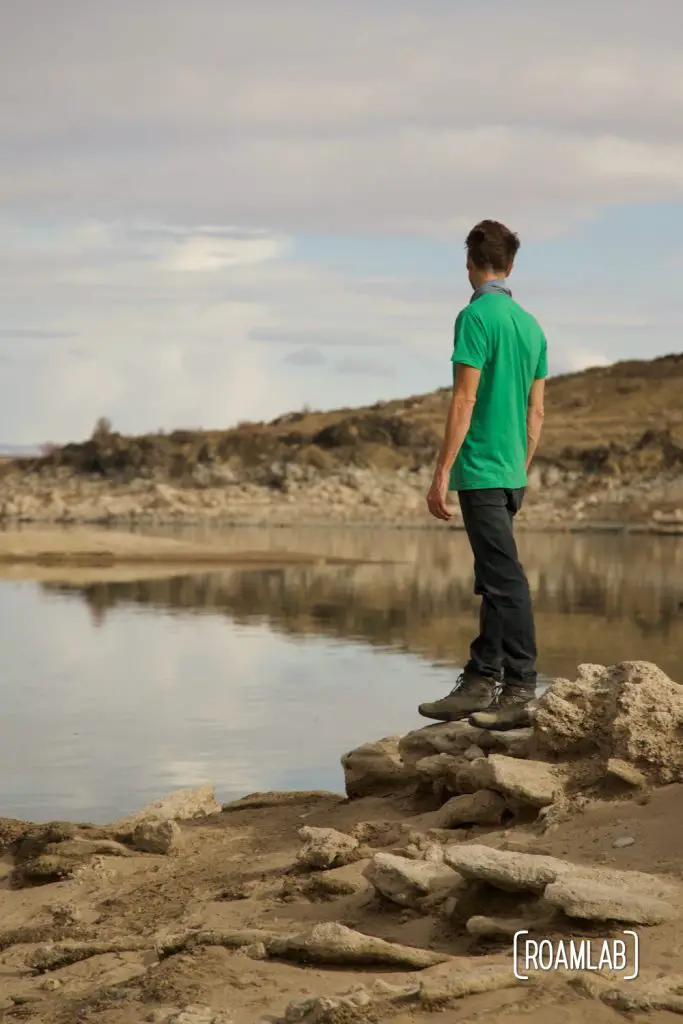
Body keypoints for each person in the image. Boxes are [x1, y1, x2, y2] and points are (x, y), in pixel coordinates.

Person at [419, 220, 547, 731]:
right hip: (511, 472)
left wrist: (441, 472)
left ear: (470, 265)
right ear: (510, 265)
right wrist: (521, 466)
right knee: (494, 579)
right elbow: (536, 414)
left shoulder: (475, 317)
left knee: (505, 580)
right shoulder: (532, 325)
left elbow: (464, 398)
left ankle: (519, 687)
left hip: (481, 472)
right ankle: (479, 679)